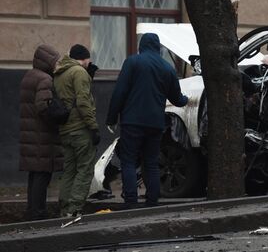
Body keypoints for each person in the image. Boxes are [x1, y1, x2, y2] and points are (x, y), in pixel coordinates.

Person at [106, 33, 188, 208]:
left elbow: (119, 92)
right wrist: (187, 99)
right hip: (155, 124)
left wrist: (111, 118)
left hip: (132, 122)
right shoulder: (167, 68)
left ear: (141, 46)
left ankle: (131, 202)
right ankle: (152, 201)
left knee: (128, 162)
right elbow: (177, 99)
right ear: (158, 48)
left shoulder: (132, 63)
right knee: (151, 163)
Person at [54, 44, 100, 217]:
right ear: (84, 58)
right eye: (89, 59)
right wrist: (93, 127)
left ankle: (65, 208)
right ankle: (74, 210)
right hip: (80, 129)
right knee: (85, 169)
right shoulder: (79, 72)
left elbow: (69, 97)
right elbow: (82, 102)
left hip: (65, 130)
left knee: (69, 171)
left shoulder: (59, 73)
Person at [19, 44, 62, 220]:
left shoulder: (29, 76)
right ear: (47, 61)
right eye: (55, 61)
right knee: (42, 175)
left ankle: (32, 210)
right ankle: (38, 212)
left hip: (31, 133)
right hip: (42, 135)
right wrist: (57, 117)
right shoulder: (45, 79)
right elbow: (43, 106)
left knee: (35, 174)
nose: (57, 65)